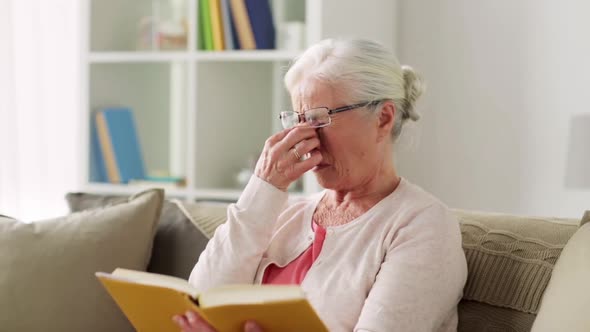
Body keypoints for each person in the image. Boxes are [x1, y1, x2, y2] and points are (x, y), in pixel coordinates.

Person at [173, 38, 467, 332]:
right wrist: (263, 187)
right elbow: (199, 306)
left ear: (383, 118)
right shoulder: (284, 214)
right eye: (298, 120)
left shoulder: (423, 225)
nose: (305, 139)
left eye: (319, 119)